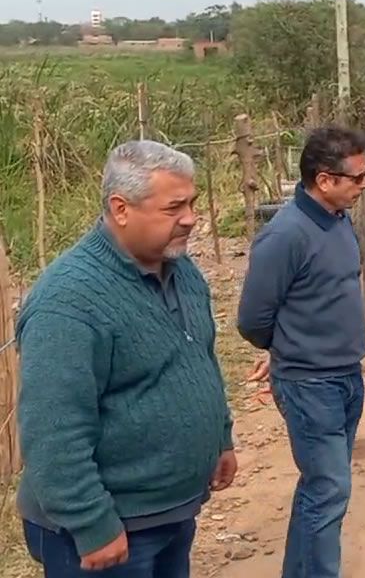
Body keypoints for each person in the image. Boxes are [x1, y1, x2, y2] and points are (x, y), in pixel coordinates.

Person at [16, 140, 236, 577]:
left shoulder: (181, 271)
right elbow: (53, 426)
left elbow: (199, 359)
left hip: (168, 513)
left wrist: (220, 439)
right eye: (174, 208)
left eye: (191, 203)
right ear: (121, 209)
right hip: (110, 529)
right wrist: (91, 522)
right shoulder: (70, 302)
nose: (191, 218)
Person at [237, 126, 365, 578]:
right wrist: (287, 350)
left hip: (345, 377)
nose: (364, 185)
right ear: (325, 179)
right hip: (310, 384)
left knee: (321, 488)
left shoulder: (337, 220)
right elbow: (253, 318)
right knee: (330, 489)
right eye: (356, 177)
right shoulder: (285, 236)